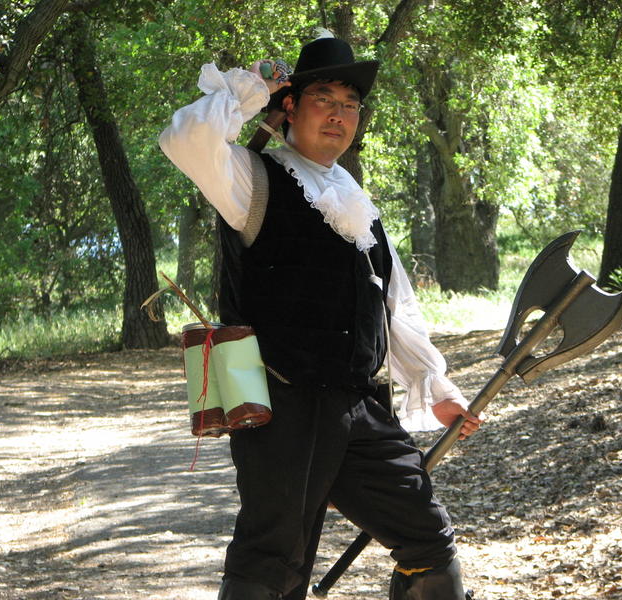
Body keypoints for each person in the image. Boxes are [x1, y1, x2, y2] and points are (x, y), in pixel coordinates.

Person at [159, 34, 482, 600]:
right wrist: (254, 86)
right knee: (273, 561)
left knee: (429, 543)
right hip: (283, 408)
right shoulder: (252, 181)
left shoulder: (358, 205)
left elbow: (395, 307)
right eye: (324, 99)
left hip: (360, 408)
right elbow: (186, 138)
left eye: (350, 105)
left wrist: (435, 386)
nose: (338, 115)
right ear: (290, 107)